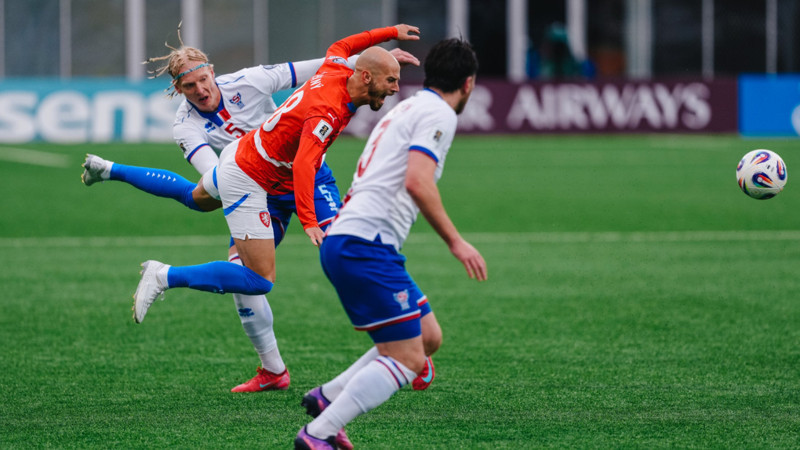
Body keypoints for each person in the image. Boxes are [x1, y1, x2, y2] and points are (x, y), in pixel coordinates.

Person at [80, 36, 426, 396]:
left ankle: (409, 339)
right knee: (232, 254)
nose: (200, 90)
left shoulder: (250, 80)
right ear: (178, 90)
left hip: (306, 177)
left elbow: (323, 65)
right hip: (255, 183)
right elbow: (217, 178)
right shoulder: (185, 125)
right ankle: (273, 369)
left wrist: (377, 63)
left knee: (347, 249)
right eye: (189, 87)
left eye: (203, 80)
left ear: (213, 73)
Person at [294, 38, 486, 450]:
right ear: (467, 84)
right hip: (366, 246)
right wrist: (456, 242)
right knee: (409, 359)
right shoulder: (439, 113)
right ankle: (319, 433)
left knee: (428, 337)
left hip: (354, 240)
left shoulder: (408, 108)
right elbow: (416, 180)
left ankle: (327, 396)